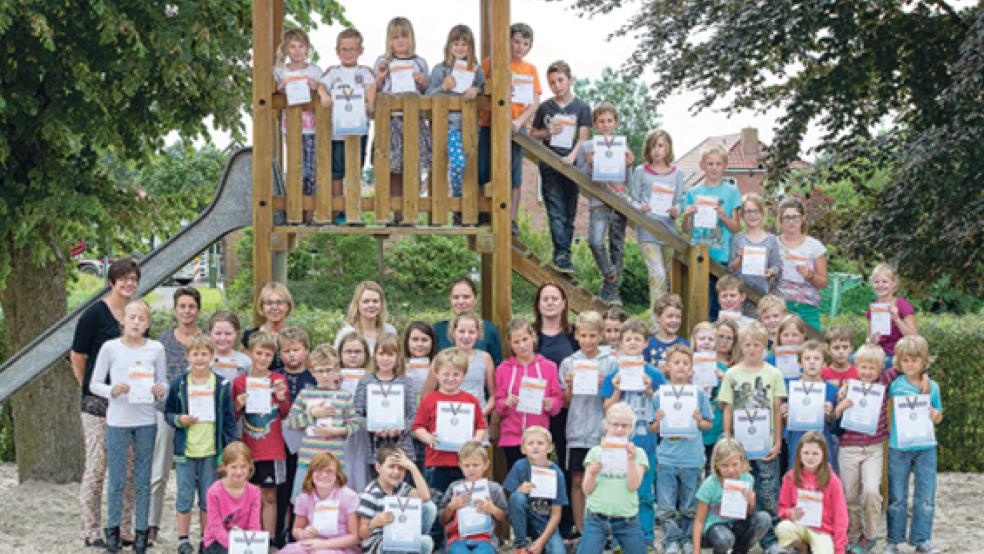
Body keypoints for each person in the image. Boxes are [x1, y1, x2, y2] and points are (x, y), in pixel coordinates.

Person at [89, 299, 168, 553]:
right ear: (123, 320)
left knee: (144, 478)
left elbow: (164, 383)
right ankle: (112, 530)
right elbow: (95, 384)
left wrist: (159, 389)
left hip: (145, 419)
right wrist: (113, 389)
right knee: (117, 478)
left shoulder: (155, 349)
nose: (136, 322)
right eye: (132, 317)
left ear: (148, 323)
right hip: (118, 420)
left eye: (141, 318)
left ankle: (141, 532)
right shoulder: (110, 348)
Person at [71, 258, 139, 548]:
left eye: (133, 278)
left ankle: (123, 527)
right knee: (97, 466)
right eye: (123, 278)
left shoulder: (137, 314)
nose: (128, 283)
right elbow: (78, 356)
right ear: (112, 281)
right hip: (98, 404)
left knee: (127, 467)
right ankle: (91, 529)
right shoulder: (94, 315)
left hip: (130, 402)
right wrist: (93, 389)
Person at [164, 334, 238, 554]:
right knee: (184, 495)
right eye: (195, 354)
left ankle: (206, 539)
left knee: (208, 497)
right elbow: (168, 413)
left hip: (211, 451)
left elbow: (229, 420)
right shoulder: (178, 384)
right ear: (188, 356)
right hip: (186, 451)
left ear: (212, 356)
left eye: (204, 353)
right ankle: (183, 539)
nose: (199, 358)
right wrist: (180, 420)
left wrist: (227, 453)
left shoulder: (222, 385)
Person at [718, 322, 787, 554]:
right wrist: (727, 440)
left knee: (767, 492)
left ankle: (769, 541)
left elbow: (778, 409)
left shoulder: (774, 373)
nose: (752, 349)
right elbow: (727, 408)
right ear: (741, 346)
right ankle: (741, 539)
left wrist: (777, 441)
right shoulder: (732, 374)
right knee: (738, 490)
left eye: (757, 344)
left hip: (765, 444)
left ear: (765, 345)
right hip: (739, 446)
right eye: (747, 344)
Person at [411, 348, 488, 547]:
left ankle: (461, 540)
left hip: (464, 465)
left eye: (456, 374)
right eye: (446, 374)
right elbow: (417, 426)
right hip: (436, 463)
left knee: (464, 504)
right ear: (437, 374)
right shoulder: (430, 400)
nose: (450, 378)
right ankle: (437, 544)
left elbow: (481, 426)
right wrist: (427, 436)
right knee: (437, 506)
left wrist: (474, 442)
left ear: (463, 375)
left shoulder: (470, 401)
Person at [601, 317, 667, 545]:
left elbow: (665, 408)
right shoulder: (614, 374)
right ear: (620, 343)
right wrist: (617, 389)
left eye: (637, 339)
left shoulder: (654, 374)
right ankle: (621, 540)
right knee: (620, 488)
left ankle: (646, 537)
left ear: (645, 343)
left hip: (645, 439)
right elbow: (606, 408)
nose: (632, 343)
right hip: (618, 441)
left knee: (645, 491)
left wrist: (650, 391)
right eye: (627, 339)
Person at [150, 286, 203, 541]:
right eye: (182, 306)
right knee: (159, 470)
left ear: (198, 310)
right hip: (167, 412)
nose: (187, 311)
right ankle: (151, 525)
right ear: (175, 310)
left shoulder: (205, 340)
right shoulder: (162, 341)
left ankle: (201, 531)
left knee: (197, 475)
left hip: (199, 416)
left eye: (191, 306)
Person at [479, 22, 541, 235]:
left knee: (514, 175)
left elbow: (535, 101)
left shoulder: (530, 69)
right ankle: (484, 213)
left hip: (516, 127)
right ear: (508, 41)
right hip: (489, 123)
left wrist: (519, 122)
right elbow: (479, 87)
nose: (519, 47)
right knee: (484, 169)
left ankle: (511, 219)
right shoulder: (492, 63)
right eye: (516, 41)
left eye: (525, 43)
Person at [530, 59, 592, 272]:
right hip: (550, 164)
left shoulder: (582, 107)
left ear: (570, 80)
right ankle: (561, 256)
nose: (557, 85)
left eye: (560, 80)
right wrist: (548, 133)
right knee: (555, 211)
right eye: (552, 82)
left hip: (571, 167)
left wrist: (572, 158)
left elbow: (583, 137)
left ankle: (566, 255)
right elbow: (533, 133)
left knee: (569, 211)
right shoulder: (545, 107)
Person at [557, 310, 615, 535]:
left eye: (593, 335)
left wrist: (605, 387)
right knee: (578, 479)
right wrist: (570, 386)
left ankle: (603, 530)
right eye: (584, 335)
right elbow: (564, 403)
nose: (588, 341)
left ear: (601, 335)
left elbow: (613, 401)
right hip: (577, 430)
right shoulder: (569, 363)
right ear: (577, 336)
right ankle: (581, 529)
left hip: (602, 430)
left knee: (603, 479)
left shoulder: (610, 362)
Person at [652, 345, 714, 554]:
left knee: (689, 505)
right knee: (666, 505)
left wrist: (699, 420)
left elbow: (709, 424)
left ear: (692, 369)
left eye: (685, 363)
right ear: (667, 367)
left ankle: (688, 538)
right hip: (667, 458)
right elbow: (652, 428)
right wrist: (657, 421)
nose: (680, 367)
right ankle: (671, 540)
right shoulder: (659, 395)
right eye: (676, 363)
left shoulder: (698, 394)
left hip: (692, 459)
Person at [885, 336, 942, 554]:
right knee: (897, 496)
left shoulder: (933, 387)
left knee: (925, 495)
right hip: (899, 447)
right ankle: (894, 540)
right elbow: (887, 412)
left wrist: (936, 415)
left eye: (915, 360)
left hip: (926, 447)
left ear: (924, 361)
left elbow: (938, 414)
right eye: (905, 360)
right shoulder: (894, 386)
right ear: (899, 362)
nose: (910, 364)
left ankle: (922, 540)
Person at [232, 331, 291, 536]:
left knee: (269, 497)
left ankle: (270, 539)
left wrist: (282, 397)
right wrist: (238, 405)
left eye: (268, 354)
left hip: (272, 450)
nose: (263, 358)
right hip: (248, 449)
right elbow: (234, 417)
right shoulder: (240, 382)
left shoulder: (278, 379)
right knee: (248, 497)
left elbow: (284, 414)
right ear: (250, 353)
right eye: (259, 353)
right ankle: (251, 539)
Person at [532, 282, 579, 539]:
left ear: (563, 303)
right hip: (537, 413)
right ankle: (538, 520)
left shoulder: (573, 335)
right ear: (538, 304)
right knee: (538, 462)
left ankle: (567, 520)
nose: (550, 303)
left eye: (555, 298)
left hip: (567, 411)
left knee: (566, 464)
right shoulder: (531, 334)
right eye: (545, 299)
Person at [374, 16, 431, 223]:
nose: (400, 41)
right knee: (393, 167)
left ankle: (410, 210)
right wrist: (380, 77)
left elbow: (429, 92)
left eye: (404, 37)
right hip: (390, 121)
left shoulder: (419, 62)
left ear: (411, 39)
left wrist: (423, 82)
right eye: (395, 37)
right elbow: (375, 90)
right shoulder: (383, 62)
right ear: (389, 40)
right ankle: (397, 211)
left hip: (414, 120)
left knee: (413, 165)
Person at [317, 27, 376, 224]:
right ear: (337, 51)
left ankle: (354, 210)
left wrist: (370, 103)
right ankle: (337, 211)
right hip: (337, 132)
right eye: (344, 49)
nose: (348, 53)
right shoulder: (334, 73)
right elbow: (321, 85)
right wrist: (324, 95)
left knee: (354, 170)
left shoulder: (365, 72)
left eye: (352, 49)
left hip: (359, 129)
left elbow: (370, 90)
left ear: (360, 51)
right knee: (336, 172)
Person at [578, 102, 634, 305]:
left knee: (617, 247)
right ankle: (611, 275)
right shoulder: (587, 147)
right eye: (601, 121)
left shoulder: (623, 146)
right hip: (598, 203)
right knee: (595, 241)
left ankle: (613, 293)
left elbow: (628, 181)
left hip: (619, 203)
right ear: (594, 124)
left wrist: (629, 165)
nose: (605, 125)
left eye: (609, 120)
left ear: (616, 123)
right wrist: (590, 164)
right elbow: (580, 178)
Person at [286, 344, 357, 501]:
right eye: (320, 371)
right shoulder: (305, 394)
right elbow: (290, 423)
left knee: (336, 507)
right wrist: (312, 414)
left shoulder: (345, 396)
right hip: (308, 462)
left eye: (329, 370)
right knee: (303, 505)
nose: (325, 375)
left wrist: (335, 431)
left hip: (335, 463)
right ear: (313, 372)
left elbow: (355, 424)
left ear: (337, 370)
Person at [575, 402, 649, 554]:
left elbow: (633, 486)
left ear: (631, 428)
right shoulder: (595, 452)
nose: (620, 429)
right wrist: (593, 473)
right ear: (605, 425)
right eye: (615, 424)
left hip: (627, 519)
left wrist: (630, 460)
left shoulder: (638, 453)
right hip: (597, 518)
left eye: (625, 425)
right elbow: (586, 489)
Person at [681, 144, 741, 320]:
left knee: (720, 304)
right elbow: (686, 230)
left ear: (725, 166)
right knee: (699, 302)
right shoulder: (693, 192)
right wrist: (686, 216)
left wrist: (723, 216)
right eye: (710, 163)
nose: (714, 168)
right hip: (699, 253)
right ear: (702, 165)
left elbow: (736, 228)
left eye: (718, 164)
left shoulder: (732, 192)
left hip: (721, 255)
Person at [494, 317, 564, 467]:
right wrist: (506, 403)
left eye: (525, 339)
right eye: (516, 342)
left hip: (539, 438)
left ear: (533, 337)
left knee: (539, 482)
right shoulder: (503, 369)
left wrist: (551, 404)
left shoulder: (549, 367)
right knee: (517, 481)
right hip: (512, 438)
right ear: (510, 344)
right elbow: (498, 405)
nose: (522, 345)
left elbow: (558, 400)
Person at [426, 25, 484, 202]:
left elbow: (482, 91)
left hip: (470, 128)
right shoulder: (440, 70)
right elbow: (427, 98)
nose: (460, 47)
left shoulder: (476, 70)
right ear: (449, 46)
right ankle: (456, 196)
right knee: (458, 164)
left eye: (464, 44)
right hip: (448, 127)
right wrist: (443, 87)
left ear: (471, 47)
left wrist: (476, 90)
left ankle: (464, 209)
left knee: (472, 168)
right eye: (456, 43)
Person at [629, 129, 684, 303]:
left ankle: (667, 318)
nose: (657, 150)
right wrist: (640, 207)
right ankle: (655, 322)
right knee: (657, 274)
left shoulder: (677, 173)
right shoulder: (640, 171)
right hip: (648, 231)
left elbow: (679, 201)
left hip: (668, 232)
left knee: (667, 277)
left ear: (668, 148)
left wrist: (677, 210)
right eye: (653, 146)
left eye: (660, 146)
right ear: (648, 149)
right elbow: (633, 200)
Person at [693, 438, 772, 554]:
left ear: (742, 461)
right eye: (724, 465)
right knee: (725, 539)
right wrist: (696, 551)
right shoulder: (709, 485)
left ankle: (739, 551)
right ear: (716, 465)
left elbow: (749, 513)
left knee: (764, 519)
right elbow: (699, 520)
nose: (730, 470)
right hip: (716, 527)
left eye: (735, 464)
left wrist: (752, 500)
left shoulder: (748, 479)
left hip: (738, 524)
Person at [776, 432, 849, 554]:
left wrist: (839, 548)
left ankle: (814, 548)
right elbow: (781, 509)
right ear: (799, 453)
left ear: (824, 455)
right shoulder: (790, 477)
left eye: (815, 453)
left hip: (823, 531)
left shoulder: (833, 480)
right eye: (806, 453)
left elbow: (841, 516)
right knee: (782, 528)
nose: (810, 457)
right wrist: (790, 513)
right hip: (800, 526)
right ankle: (802, 548)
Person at [355, 333, 418, 473]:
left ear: (398, 358)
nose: (385, 359)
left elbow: (414, 416)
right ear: (375, 356)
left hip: (401, 449)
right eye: (381, 354)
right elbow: (356, 415)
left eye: (390, 354)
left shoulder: (406, 383)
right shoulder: (365, 382)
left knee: (400, 490)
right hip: (374, 450)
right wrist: (371, 427)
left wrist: (401, 427)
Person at [278, 326, 318, 546]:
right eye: (286, 351)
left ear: (306, 351)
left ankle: (299, 531)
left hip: (309, 442)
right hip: (281, 442)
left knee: (303, 488)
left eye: (296, 349)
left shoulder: (313, 377)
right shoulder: (276, 377)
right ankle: (279, 533)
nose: (291, 354)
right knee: (283, 488)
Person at [356, 445, 437, 554]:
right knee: (424, 543)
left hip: (400, 535)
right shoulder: (371, 494)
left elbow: (425, 497)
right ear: (378, 467)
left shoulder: (402, 487)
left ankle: (413, 544)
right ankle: (413, 547)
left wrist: (412, 467)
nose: (396, 472)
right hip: (380, 544)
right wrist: (374, 523)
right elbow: (362, 533)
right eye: (391, 466)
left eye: (401, 468)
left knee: (429, 507)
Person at [274, 28, 322, 202]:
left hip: (312, 128)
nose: (297, 51)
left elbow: (323, 91)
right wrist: (282, 85)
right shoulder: (280, 71)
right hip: (291, 126)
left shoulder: (315, 71)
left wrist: (315, 86)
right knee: (295, 167)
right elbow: (274, 92)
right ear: (286, 49)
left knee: (311, 168)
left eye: (301, 46)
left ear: (307, 49)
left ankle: (309, 212)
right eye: (292, 47)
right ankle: (294, 206)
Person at [503, 426, 568, 554]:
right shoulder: (519, 467)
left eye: (540, 443)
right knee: (517, 497)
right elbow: (509, 500)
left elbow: (556, 514)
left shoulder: (557, 474)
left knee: (558, 551)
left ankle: (538, 545)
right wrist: (519, 490)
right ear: (523, 449)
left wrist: (541, 542)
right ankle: (521, 544)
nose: (535, 447)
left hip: (546, 524)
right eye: (530, 443)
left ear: (550, 448)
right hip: (525, 522)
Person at [280, 452, 361, 554]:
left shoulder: (349, 497)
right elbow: (296, 530)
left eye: (329, 471)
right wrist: (304, 533)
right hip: (311, 544)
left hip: (340, 547)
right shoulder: (304, 498)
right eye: (319, 470)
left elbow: (355, 537)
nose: (324, 475)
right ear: (311, 473)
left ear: (337, 474)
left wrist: (323, 544)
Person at [423, 313, 496, 425]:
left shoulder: (485, 358)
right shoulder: (441, 358)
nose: (466, 336)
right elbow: (427, 395)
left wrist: (480, 415)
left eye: (471, 332)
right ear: (453, 333)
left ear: (478, 334)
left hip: (477, 422)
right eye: (461, 331)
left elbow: (493, 396)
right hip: (447, 420)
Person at [439, 441, 509, 554]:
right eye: (466, 465)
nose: (471, 469)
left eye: (476, 465)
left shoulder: (494, 489)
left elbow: (505, 517)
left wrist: (492, 509)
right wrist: (451, 507)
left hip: (486, 539)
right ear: (460, 465)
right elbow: (442, 520)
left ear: (486, 465)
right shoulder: (454, 488)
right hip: (457, 539)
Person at [785, 340, 838, 473]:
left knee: (824, 484)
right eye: (807, 358)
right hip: (797, 445)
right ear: (799, 362)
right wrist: (784, 415)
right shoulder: (790, 389)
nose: (812, 362)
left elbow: (837, 428)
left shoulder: (832, 391)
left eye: (817, 358)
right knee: (797, 483)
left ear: (824, 363)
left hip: (823, 447)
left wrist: (832, 414)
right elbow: (784, 425)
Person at [776, 197, 828, 330]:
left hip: (807, 308)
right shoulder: (773, 243)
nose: (791, 222)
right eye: (787, 217)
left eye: (795, 217)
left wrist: (809, 274)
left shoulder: (814, 246)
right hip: (780, 308)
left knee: (812, 348)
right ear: (780, 220)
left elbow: (823, 282)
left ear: (802, 218)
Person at [203, 442, 263, 554]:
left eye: (243, 466)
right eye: (233, 467)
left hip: (243, 540)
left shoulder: (255, 492)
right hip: (216, 540)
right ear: (224, 467)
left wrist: (250, 546)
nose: (239, 472)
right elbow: (215, 526)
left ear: (250, 466)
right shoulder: (214, 492)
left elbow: (254, 525)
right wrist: (234, 547)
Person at [432, 277, 504, 366]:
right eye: (456, 297)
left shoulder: (489, 329)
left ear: (476, 299)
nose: (461, 301)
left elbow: (497, 366)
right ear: (450, 299)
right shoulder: (438, 329)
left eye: (466, 297)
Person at [337, 332, 372, 493]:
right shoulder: (333, 377)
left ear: (366, 354)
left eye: (357, 352)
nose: (352, 356)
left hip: (364, 433)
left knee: (361, 470)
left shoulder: (371, 378)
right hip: (339, 433)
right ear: (340, 354)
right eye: (348, 351)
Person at [865, 263, 917, 368]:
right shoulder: (873, 308)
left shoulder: (902, 305)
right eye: (876, 282)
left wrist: (897, 319)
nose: (880, 285)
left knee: (886, 363)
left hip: (899, 353)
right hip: (878, 353)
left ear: (893, 284)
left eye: (884, 281)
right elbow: (869, 338)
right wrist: (872, 340)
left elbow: (914, 336)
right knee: (853, 359)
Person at [729, 192, 781, 295]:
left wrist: (771, 271)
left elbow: (776, 266)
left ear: (762, 213)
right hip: (739, 295)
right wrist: (740, 258)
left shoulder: (771, 239)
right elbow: (731, 269)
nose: (752, 215)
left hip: (761, 294)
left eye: (756, 211)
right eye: (748, 211)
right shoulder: (737, 238)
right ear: (743, 215)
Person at [402, 321, 438, 467]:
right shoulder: (399, 367)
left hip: (429, 429)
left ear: (432, 342)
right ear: (407, 342)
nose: (419, 344)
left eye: (424, 340)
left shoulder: (438, 366)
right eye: (415, 339)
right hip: (405, 430)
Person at [242, 281, 294, 373]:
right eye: (269, 303)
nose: (274, 307)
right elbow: (244, 369)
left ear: (287, 306)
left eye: (279, 302)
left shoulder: (296, 336)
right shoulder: (249, 336)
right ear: (262, 307)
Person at [333, 281, 397, 352]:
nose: (371, 305)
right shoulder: (347, 333)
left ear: (381, 304)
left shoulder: (390, 331)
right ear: (357, 304)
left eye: (375, 301)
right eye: (366, 301)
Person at [645, 292, 689, 371]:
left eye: (678, 317)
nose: (674, 320)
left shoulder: (685, 345)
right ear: (658, 317)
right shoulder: (648, 344)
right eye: (670, 316)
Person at [208, 310, 252, 383]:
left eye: (228, 334)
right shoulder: (200, 359)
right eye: (218, 333)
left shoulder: (245, 362)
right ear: (210, 333)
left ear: (236, 334)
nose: (223, 338)